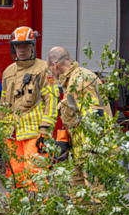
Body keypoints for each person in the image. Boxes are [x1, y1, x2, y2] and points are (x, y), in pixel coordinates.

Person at [46, 46, 112, 189]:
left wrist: (93, 151)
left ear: (55, 64)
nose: (51, 73)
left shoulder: (79, 81)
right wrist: (64, 143)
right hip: (80, 151)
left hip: (92, 152)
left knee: (98, 197)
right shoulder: (72, 81)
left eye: (50, 69)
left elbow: (93, 116)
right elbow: (76, 118)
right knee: (77, 198)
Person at [0, 27, 57, 189]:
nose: (22, 50)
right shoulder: (8, 72)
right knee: (14, 175)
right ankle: (16, 212)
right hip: (12, 134)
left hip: (35, 133)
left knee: (35, 174)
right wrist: (1, 132)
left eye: (25, 45)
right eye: (18, 46)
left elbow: (51, 99)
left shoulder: (44, 69)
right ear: (14, 48)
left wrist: (45, 130)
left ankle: (37, 213)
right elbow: (3, 104)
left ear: (33, 47)